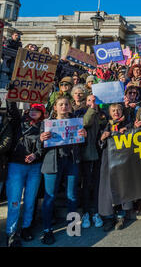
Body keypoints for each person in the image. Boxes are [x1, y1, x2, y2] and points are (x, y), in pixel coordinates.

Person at [38, 97, 87, 245]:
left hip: (71, 161)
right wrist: (41, 139)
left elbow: (82, 145)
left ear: (70, 107)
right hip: (53, 162)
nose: (64, 107)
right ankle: (47, 230)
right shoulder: (46, 124)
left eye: (66, 104)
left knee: (72, 194)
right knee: (50, 196)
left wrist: (84, 136)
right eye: (61, 104)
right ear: (55, 108)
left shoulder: (77, 122)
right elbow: (40, 149)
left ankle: (72, 226)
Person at [5, 104, 45, 247]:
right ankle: (11, 232)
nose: (34, 112)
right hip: (17, 165)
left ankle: (26, 228)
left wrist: (36, 154)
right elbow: (12, 111)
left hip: (35, 167)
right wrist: (11, 98)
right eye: (33, 109)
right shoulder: (19, 122)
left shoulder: (45, 126)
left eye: (38, 110)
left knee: (30, 200)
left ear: (42, 113)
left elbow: (47, 146)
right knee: (14, 201)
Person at [98, 103, 133, 231]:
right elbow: (99, 142)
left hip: (122, 159)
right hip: (107, 159)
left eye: (118, 109)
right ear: (109, 112)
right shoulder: (105, 124)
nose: (116, 112)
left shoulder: (128, 124)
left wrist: (126, 133)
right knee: (107, 188)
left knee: (121, 186)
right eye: (113, 110)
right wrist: (103, 138)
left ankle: (121, 216)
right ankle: (108, 217)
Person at [79, 95, 104, 230]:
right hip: (86, 156)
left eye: (95, 100)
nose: (92, 102)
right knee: (87, 184)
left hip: (98, 154)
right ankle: (86, 213)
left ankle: (95, 212)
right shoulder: (83, 112)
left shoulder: (101, 115)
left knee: (96, 184)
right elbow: (85, 122)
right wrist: (92, 109)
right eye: (90, 100)